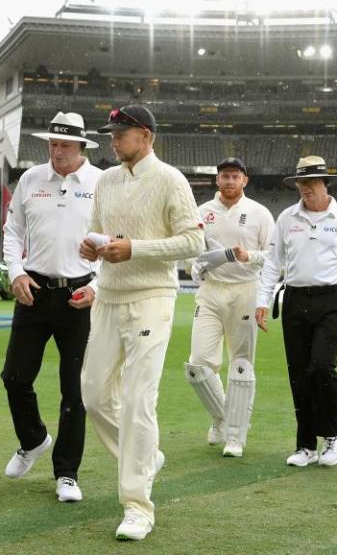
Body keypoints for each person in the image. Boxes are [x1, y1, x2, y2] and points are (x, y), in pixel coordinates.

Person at [79, 105, 204, 541]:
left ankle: (137, 505)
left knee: (137, 398)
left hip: (152, 298)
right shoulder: (107, 180)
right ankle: (147, 456)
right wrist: (93, 254)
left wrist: (135, 250)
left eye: (121, 133)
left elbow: (193, 240)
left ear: (145, 135)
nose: (113, 140)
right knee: (94, 396)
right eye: (112, 133)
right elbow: (100, 233)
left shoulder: (171, 180)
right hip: (109, 297)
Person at [0, 112, 102, 503]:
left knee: (74, 390)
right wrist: (15, 273)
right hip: (34, 291)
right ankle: (33, 440)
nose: (56, 151)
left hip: (80, 296)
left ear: (81, 147)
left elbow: (114, 240)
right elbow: (12, 233)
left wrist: (98, 285)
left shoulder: (100, 183)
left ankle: (67, 474)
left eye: (64, 145)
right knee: (14, 377)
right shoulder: (30, 179)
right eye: (52, 144)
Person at [255, 155, 337, 469]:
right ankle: (305, 445)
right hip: (293, 301)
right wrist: (261, 302)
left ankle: (331, 437)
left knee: (322, 367)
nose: (305, 189)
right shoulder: (287, 218)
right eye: (301, 183)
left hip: (331, 301)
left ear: (325, 183)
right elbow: (272, 264)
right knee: (298, 375)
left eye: (311, 183)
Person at [184, 157, 274, 458]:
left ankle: (235, 435)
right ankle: (223, 416)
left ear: (244, 180)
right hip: (211, 291)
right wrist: (195, 270)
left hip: (245, 289)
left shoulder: (259, 213)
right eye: (225, 176)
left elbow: (274, 256)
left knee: (241, 363)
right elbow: (191, 252)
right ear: (217, 180)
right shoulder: (202, 213)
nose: (230, 181)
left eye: (235, 176)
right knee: (197, 365)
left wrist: (248, 256)